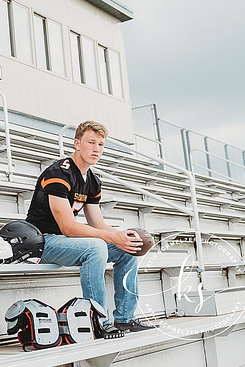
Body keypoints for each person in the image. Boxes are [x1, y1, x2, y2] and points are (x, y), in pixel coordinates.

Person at [25, 120, 153, 337]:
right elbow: (67, 227)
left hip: (65, 243)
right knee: (96, 247)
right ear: (77, 143)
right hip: (41, 242)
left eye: (101, 144)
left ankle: (124, 318)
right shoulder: (59, 173)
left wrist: (122, 236)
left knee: (128, 247)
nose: (96, 149)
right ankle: (97, 319)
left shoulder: (92, 181)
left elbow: (97, 223)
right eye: (91, 142)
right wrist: (110, 237)